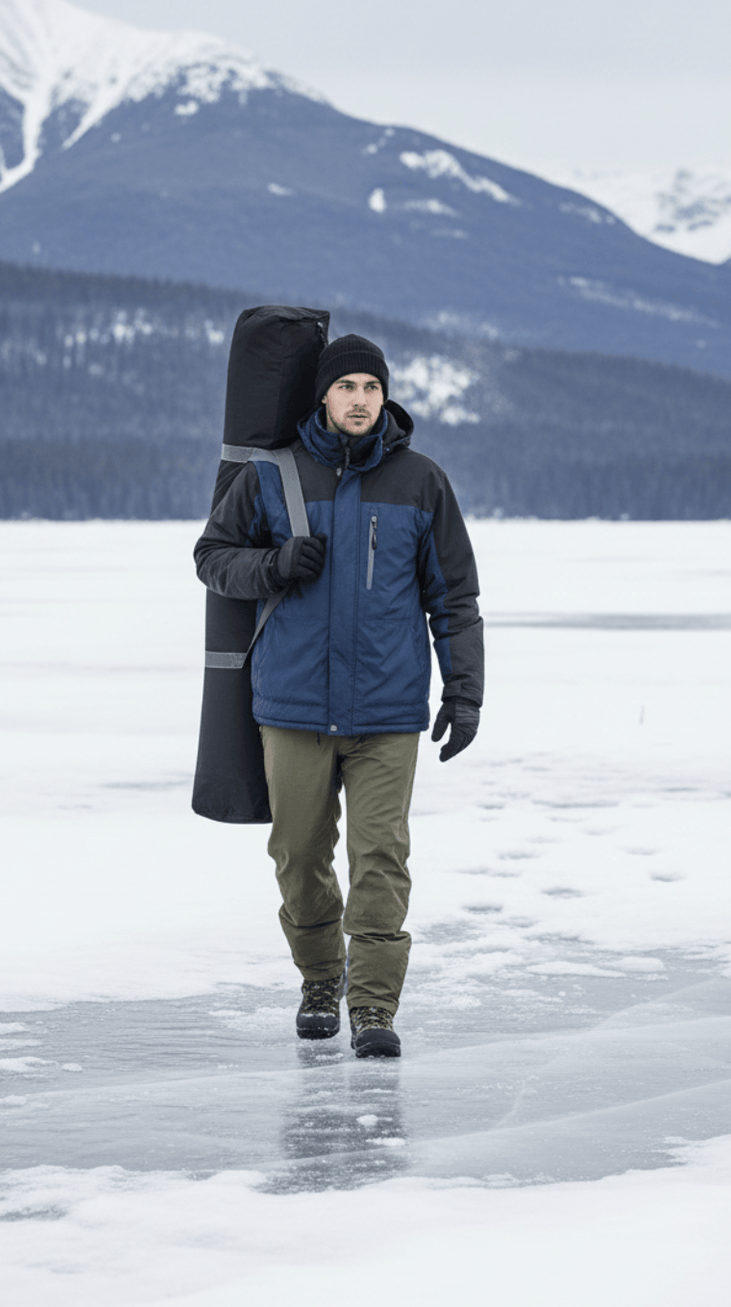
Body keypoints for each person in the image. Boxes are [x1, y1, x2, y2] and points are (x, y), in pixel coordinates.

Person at [194, 333, 484, 1058]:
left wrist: (465, 690)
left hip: (387, 710)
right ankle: (321, 979)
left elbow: (455, 597)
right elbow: (212, 558)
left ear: (386, 398)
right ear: (323, 395)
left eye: (371, 388)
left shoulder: (421, 482)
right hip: (291, 705)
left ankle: (374, 1005)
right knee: (297, 854)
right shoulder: (274, 476)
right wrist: (274, 563)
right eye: (347, 386)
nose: (359, 400)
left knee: (381, 857)